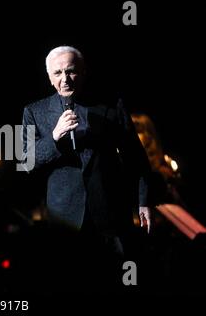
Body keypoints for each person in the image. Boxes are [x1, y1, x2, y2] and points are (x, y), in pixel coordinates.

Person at [21, 46, 152, 292]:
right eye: (58, 73)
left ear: (83, 73)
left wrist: (144, 200)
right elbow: (26, 162)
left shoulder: (111, 105)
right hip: (65, 219)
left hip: (111, 213)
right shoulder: (35, 112)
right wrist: (54, 136)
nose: (65, 79)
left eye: (71, 72)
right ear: (49, 77)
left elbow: (135, 156)